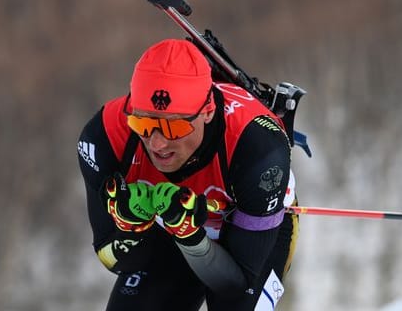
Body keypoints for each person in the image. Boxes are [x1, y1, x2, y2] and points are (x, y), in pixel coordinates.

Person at [77, 38, 299, 310]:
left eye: (173, 128)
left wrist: (190, 235)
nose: (157, 143)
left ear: (207, 112)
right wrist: (131, 229)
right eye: (143, 123)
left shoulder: (260, 150)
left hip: (246, 230)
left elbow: (235, 284)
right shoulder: (106, 137)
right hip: (166, 232)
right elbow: (111, 258)